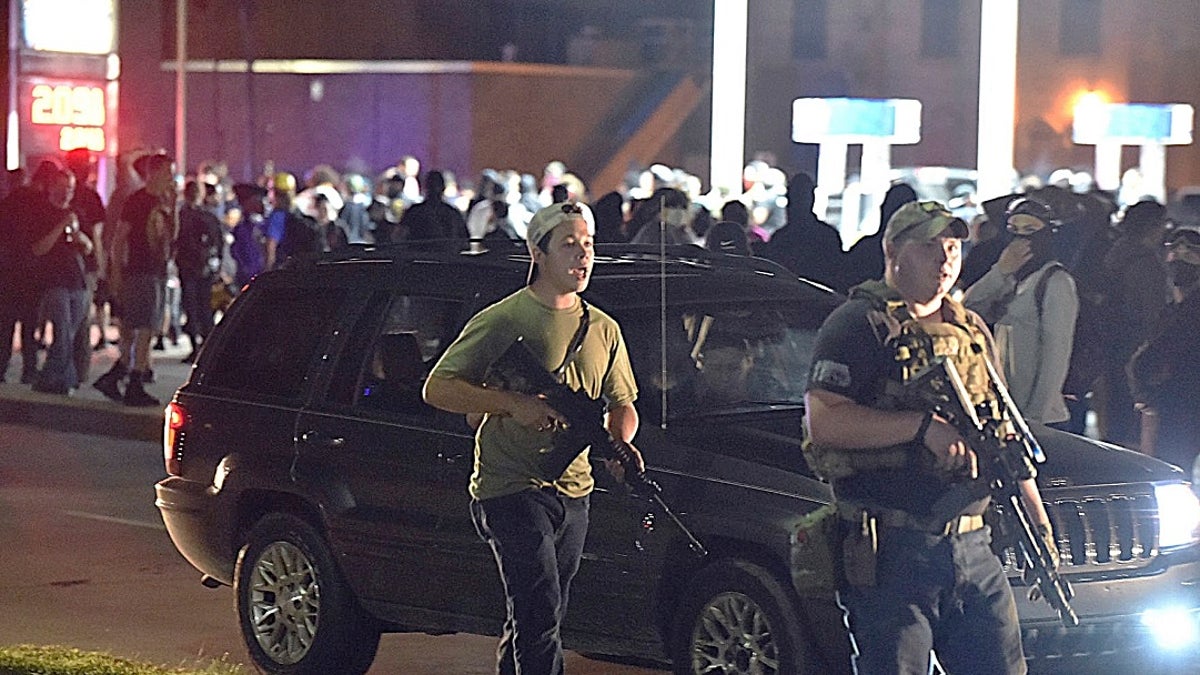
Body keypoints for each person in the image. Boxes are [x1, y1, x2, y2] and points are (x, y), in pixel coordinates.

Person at [804, 200, 1055, 674]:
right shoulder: (859, 324)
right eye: (929, 247)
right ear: (893, 250)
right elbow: (826, 421)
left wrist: (1038, 525)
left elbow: (1004, 433)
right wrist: (921, 429)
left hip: (974, 547)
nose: (946, 259)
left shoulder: (969, 328)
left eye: (954, 246)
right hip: (894, 549)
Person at [423, 201, 641, 675]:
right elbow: (438, 387)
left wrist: (619, 442)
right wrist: (512, 404)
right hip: (509, 487)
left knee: (540, 612)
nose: (583, 255)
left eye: (588, 244)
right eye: (568, 245)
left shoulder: (604, 329)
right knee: (539, 609)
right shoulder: (504, 319)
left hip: (575, 489)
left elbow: (622, 402)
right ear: (536, 253)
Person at [964, 197, 1078, 425]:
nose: (1020, 239)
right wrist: (1000, 271)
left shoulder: (1055, 282)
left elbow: (1055, 357)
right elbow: (967, 310)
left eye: (1030, 230)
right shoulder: (1009, 280)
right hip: (1006, 411)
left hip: (1039, 419)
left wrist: (1035, 417)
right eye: (1014, 230)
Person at [93, 152, 178, 407]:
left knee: (140, 328)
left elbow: (172, 236)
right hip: (140, 271)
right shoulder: (137, 200)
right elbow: (120, 238)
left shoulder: (164, 200)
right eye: (166, 172)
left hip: (158, 270)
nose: (170, 178)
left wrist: (173, 208)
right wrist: (115, 273)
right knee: (144, 329)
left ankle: (117, 376)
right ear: (154, 173)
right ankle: (134, 383)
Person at [1127, 227, 1200, 475]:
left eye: (1190, 256)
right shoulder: (1174, 308)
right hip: (1174, 407)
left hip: (1182, 406)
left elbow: (1160, 354)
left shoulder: (1187, 310)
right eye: (1175, 254)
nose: (1180, 261)